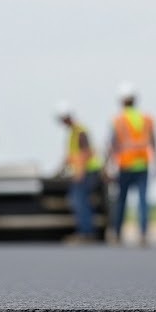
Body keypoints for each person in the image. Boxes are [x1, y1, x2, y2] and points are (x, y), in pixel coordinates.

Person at [106, 82, 156, 246]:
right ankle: (143, 234)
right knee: (143, 201)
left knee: (121, 201)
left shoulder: (118, 120)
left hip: (125, 165)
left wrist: (107, 166)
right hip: (143, 165)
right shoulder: (147, 119)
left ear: (121, 101)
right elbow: (154, 143)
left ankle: (117, 234)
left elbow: (111, 144)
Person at [56, 102, 103, 242]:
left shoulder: (79, 131)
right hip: (83, 171)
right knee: (80, 201)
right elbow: (71, 156)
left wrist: (80, 172)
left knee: (79, 201)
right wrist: (60, 171)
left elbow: (86, 152)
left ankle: (86, 232)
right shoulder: (73, 133)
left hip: (87, 172)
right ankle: (86, 231)